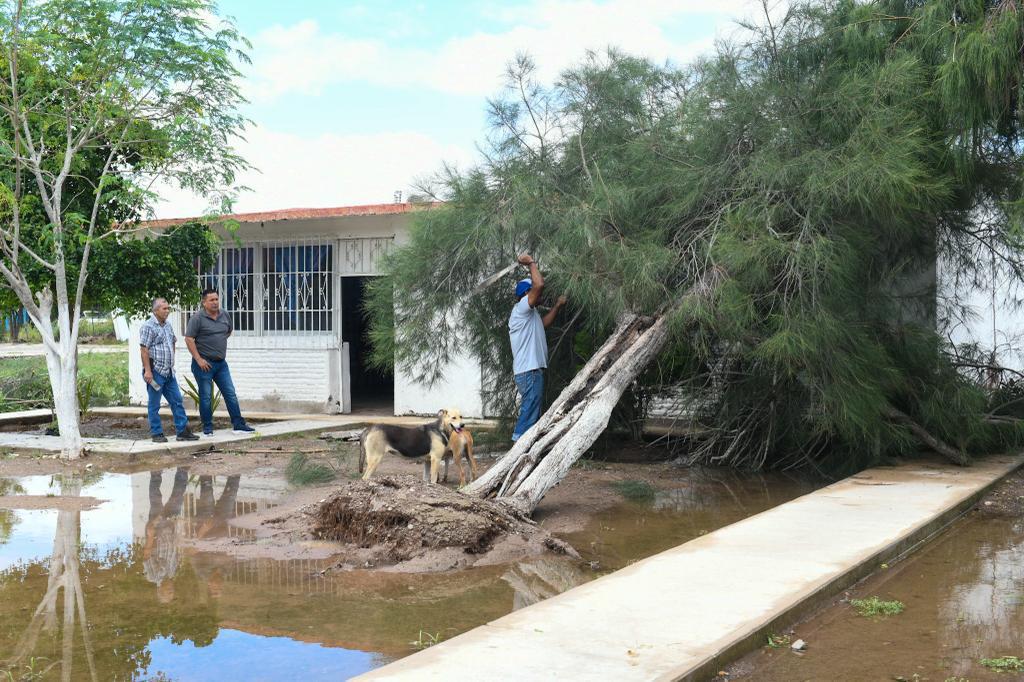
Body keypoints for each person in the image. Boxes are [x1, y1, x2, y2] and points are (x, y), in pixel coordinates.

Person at [508, 253, 566, 441]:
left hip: (531, 371)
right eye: (532, 291)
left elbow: (544, 323)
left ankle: (524, 448)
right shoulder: (522, 308)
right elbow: (539, 285)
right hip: (529, 371)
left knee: (531, 412)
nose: (540, 293)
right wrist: (531, 262)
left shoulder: (529, 315)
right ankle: (518, 449)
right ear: (526, 294)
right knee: (529, 412)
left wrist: (557, 306)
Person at [184, 288, 255, 436]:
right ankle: (207, 428)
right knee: (206, 397)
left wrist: (216, 345)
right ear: (204, 302)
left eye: (217, 299)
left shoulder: (225, 315)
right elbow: (189, 339)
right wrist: (199, 359)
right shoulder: (197, 318)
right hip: (203, 364)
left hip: (221, 364)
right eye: (212, 300)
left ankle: (238, 425)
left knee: (230, 393)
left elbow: (228, 331)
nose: (215, 302)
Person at [140, 298, 198, 443]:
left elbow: (172, 341)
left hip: (169, 372)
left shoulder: (167, 325)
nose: (167, 311)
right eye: (164, 309)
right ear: (155, 310)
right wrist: (147, 371)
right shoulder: (148, 326)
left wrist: (171, 362)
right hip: (155, 373)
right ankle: (157, 433)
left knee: (177, 401)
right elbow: (144, 349)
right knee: (154, 404)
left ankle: (182, 431)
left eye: (168, 308)